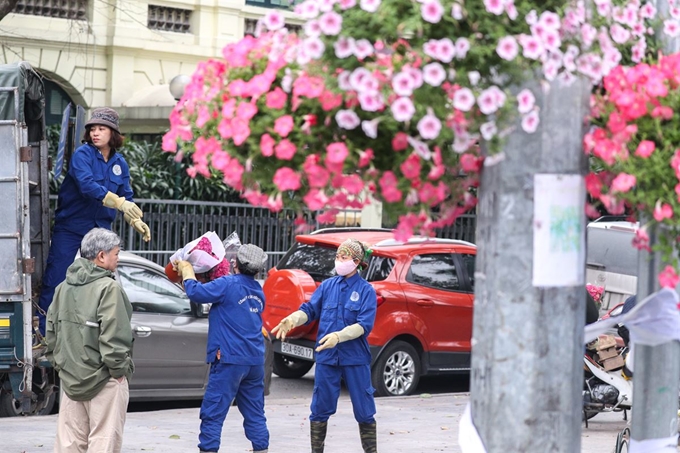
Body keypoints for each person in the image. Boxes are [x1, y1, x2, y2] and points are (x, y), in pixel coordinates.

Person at [37, 107, 150, 335]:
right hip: (71, 227)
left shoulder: (120, 163)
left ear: (113, 134)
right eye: (93, 129)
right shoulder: (83, 154)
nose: (96, 133)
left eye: (102, 129)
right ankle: (43, 331)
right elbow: (87, 185)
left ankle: (92, 332)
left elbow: (127, 195)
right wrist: (119, 203)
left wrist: (134, 218)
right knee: (56, 277)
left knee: (101, 281)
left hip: (101, 231)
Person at [272, 238, 378, 453]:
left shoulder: (366, 291)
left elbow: (364, 326)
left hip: (355, 358)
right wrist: (293, 319)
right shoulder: (328, 286)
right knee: (319, 409)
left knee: (365, 410)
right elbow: (310, 309)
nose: (339, 260)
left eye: (344, 257)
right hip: (327, 357)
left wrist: (339, 336)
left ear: (356, 261)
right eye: (338, 256)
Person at [174, 244, 270, 453]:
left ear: (234, 263)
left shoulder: (228, 284)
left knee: (213, 412)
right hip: (254, 361)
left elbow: (196, 293)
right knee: (255, 413)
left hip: (229, 360)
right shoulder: (258, 290)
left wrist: (188, 272)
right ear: (257, 270)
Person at [45, 228, 134, 453]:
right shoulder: (109, 288)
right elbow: (114, 338)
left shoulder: (62, 288)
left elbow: (52, 335)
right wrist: (119, 371)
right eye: (116, 252)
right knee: (103, 442)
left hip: (71, 380)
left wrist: (62, 367)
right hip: (104, 380)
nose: (118, 257)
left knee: (69, 443)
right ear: (101, 256)